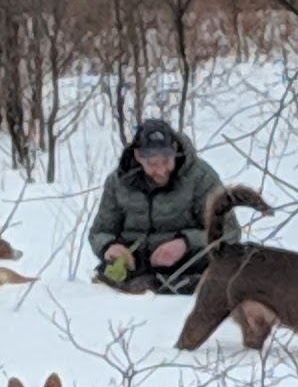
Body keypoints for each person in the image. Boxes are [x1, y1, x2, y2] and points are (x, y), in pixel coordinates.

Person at [88, 117, 241, 295]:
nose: (160, 171)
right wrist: (110, 247)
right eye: (152, 164)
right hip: (135, 269)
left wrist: (185, 243)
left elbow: (230, 232)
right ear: (138, 157)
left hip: (189, 267)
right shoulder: (119, 182)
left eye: (166, 161)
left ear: (175, 150)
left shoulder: (201, 177)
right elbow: (100, 232)